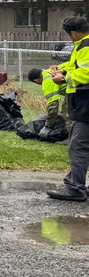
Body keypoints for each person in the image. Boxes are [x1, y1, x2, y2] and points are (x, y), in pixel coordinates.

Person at [46, 15, 89, 201]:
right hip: (83, 105)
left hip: (86, 105)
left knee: (77, 147)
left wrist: (64, 79)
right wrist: (62, 69)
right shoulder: (82, 46)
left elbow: (86, 72)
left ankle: (75, 188)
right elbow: (77, 66)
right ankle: (76, 185)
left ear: (73, 33)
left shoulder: (85, 46)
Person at [27, 67, 66, 137]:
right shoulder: (49, 71)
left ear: (36, 81)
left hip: (78, 90)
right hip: (78, 86)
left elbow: (53, 106)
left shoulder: (47, 82)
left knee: (69, 116)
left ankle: (68, 137)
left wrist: (48, 127)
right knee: (65, 111)